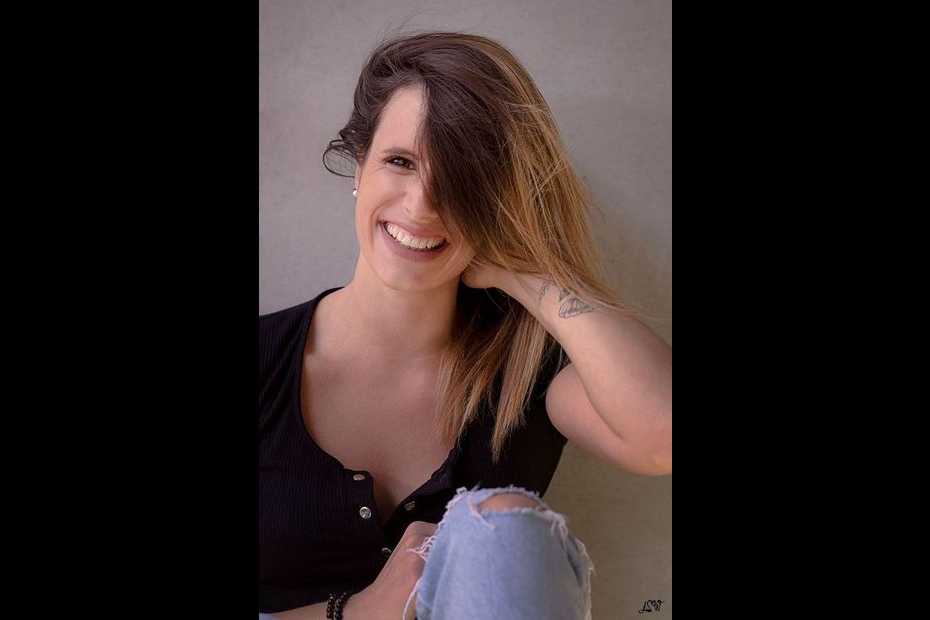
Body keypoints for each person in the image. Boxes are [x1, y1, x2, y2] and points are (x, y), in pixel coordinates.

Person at [259, 31, 672, 620]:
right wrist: (357, 612)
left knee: (503, 523)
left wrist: (528, 275)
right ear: (359, 166)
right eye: (400, 162)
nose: (423, 205)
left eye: (463, 178)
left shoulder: (528, 373)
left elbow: (663, 437)